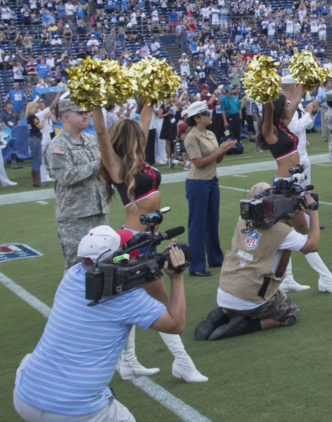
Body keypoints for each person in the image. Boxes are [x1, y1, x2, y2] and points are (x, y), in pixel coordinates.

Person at [13, 225, 187, 422]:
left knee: (30, 361)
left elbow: (117, 269)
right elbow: (175, 324)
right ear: (116, 259)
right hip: (74, 411)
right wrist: (176, 277)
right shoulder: (128, 299)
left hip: (25, 398)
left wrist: (154, 259)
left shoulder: (72, 276)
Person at [92, 101, 206, 383]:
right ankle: (182, 362)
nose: (142, 138)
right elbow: (102, 135)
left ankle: (128, 361)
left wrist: (150, 96)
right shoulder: (117, 167)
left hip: (148, 239)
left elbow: (144, 120)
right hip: (133, 244)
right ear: (127, 140)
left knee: (129, 299)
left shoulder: (139, 161)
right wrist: (94, 105)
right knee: (163, 304)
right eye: (137, 136)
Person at [194, 182, 321, 340]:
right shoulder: (281, 232)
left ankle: (227, 314)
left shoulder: (242, 220)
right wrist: (313, 214)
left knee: (265, 292)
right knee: (290, 313)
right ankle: (244, 325)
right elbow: (312, 245)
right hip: (250, 296)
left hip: (225, 290)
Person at [262, 83, 332, 293]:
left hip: (293, 185)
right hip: (284, 188)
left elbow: (297, 98)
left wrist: (304, 79)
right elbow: (269, 108)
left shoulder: (284, 124)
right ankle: (325, 279)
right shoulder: (270, 130)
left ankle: (286, 279)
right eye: (285, 105)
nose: (289, 107)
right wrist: (266, 94)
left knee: (286, 234)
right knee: (303, 232)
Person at [44, 98, 110, 269]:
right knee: (77, 267)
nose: (86, 115)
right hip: (75, 218)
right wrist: (97, 165)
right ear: (66, 117)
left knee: (105, 263)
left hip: (98, 212)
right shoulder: (58, 145)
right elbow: (65, 176)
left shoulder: (90, 140)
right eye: (80, 113)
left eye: (86, 112)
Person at [183, 100, 237, 277]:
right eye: (205, 114)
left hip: (212, 180)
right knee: (197, 225)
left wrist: (223, 150)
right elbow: (198, 163)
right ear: (197, 118)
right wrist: (220, 150)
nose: (209, 115)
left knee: (212, 222)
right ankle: (196, 265)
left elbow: (216, 159)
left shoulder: (210, 134)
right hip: (198, 182)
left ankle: (215, 257)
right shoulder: (191, 137)